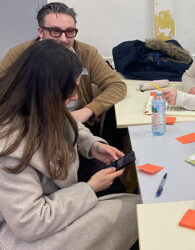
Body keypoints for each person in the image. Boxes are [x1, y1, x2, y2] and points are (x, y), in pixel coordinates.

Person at [0, 39, 139, 249]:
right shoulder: (9, 148)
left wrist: (92, 145)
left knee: (132, 209)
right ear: (47, 88)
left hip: (59, 199)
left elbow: (69, 123)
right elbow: (29, 223)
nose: (75, 97)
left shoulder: (41, 103)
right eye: (70, 89)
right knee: (133, 212)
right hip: (27, 234)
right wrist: (90, 188)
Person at [0, 2, 127, 148]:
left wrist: (88, 110)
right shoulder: (20, 54)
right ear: (41, 31)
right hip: (33, 127)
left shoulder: (86, 53)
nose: (64, 39)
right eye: (55, 31)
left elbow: (116, 85)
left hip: (77, 125)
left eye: (70, 31)